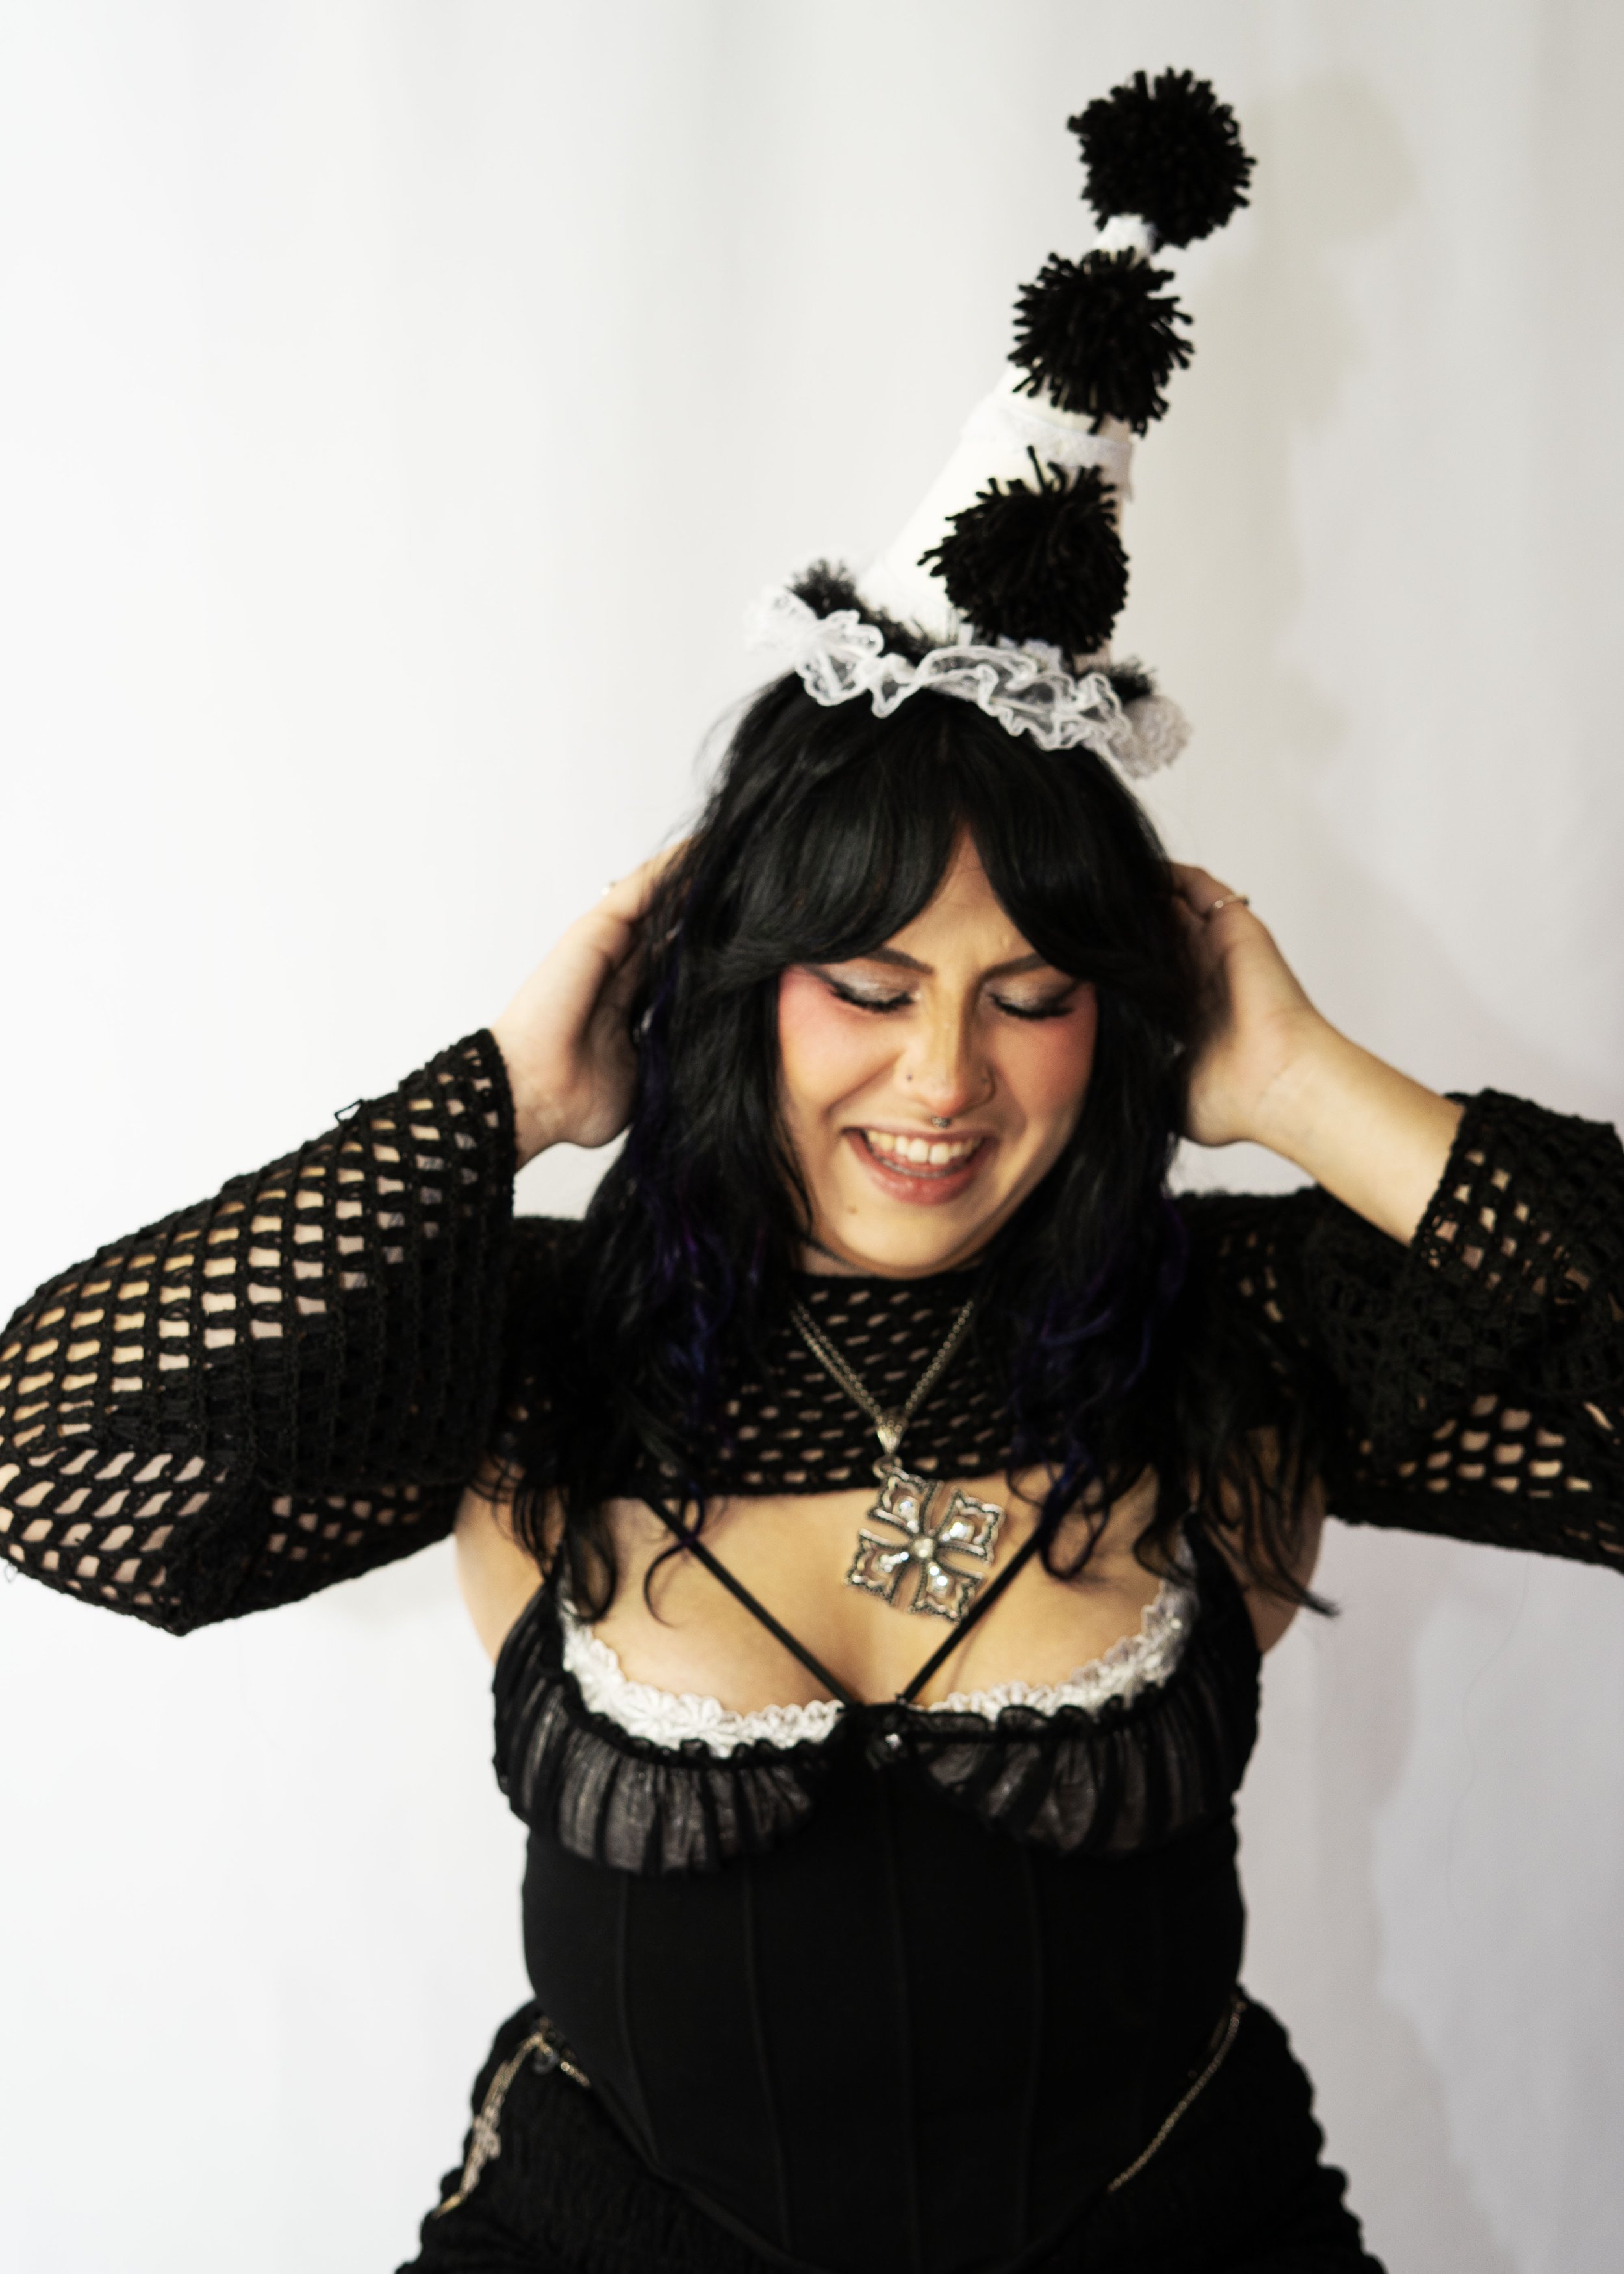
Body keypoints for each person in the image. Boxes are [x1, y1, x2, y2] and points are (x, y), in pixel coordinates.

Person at [5, 69, 1622, 2274]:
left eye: (1029, 992)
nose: (941, 1076)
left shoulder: (1239, 1332)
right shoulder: (544, 1349)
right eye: (866, 982)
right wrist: (500, 1097)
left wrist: (1312, 1087)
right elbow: (56, 1458)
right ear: (733, 981)